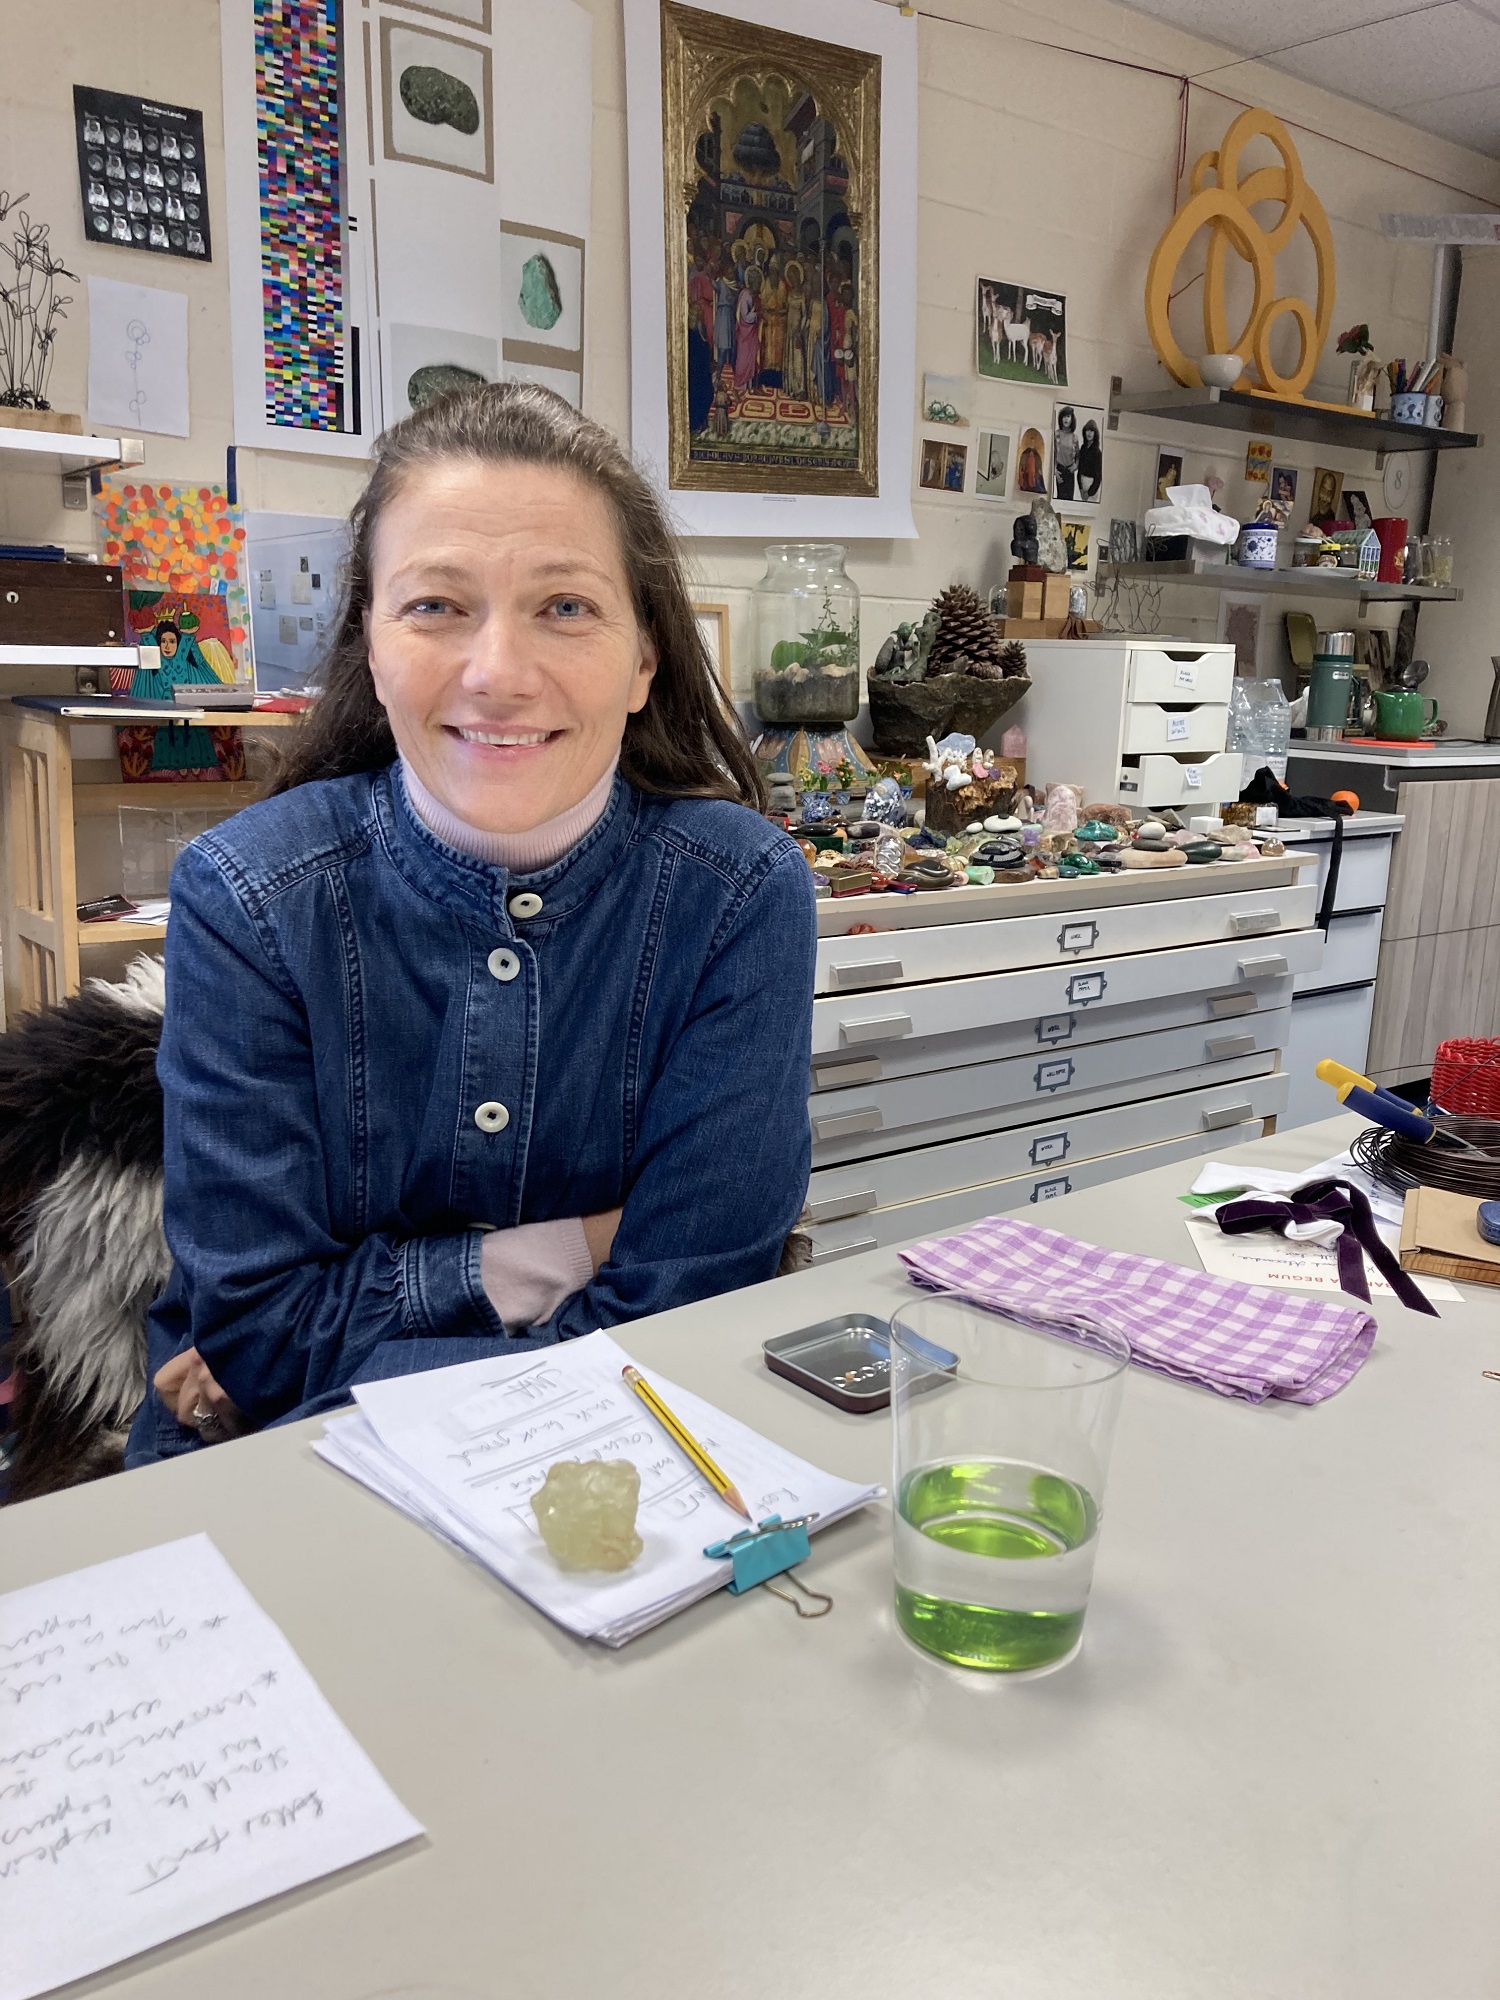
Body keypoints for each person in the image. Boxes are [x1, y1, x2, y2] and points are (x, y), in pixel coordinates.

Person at [127, 383, 816, 1462]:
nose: (498, 673)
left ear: (644, 659)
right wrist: (570, 1254)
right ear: (370, 635)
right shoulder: (246, 895)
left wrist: (340, 1327)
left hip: (621, 1472)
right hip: (274, 1467)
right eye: (437, 605)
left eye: (567, 606)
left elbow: (689, 1320)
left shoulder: (740, 896)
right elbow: (259, 1334)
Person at [733, 265, 762, 392]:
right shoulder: (746, 295)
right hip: (745, 333)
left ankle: (750, 385)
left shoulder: (753, 294)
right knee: (744, 358)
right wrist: (757, 314)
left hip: (752, 332)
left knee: (752, 357)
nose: (758, 284)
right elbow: (745, 316)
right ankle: (740, 384)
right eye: (756, 282)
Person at [1053, 405, 1079, 500]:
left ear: (1072, 419)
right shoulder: (1056, 435)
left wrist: (1076, 466)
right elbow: (1053, 454)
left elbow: (1078, 456)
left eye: (1068, 416)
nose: (1066, 419)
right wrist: (1054, 471)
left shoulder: (1074, 437)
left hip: (1069, 471)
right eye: (1064, 416)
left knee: (1069, 499)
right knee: (1059, 498)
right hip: (1059, 470)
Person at [1077, 418, 1102, 502]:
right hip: (1082, 483)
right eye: (1087, 430)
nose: (1089, 433)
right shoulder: (1083, 448)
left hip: (1091, 485)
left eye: (1092, 431)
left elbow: (1098, 476)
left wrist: (1089, 493)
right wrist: (1080, 488)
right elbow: (1079, 469)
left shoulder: (1097, 452)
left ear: (1095, 433)